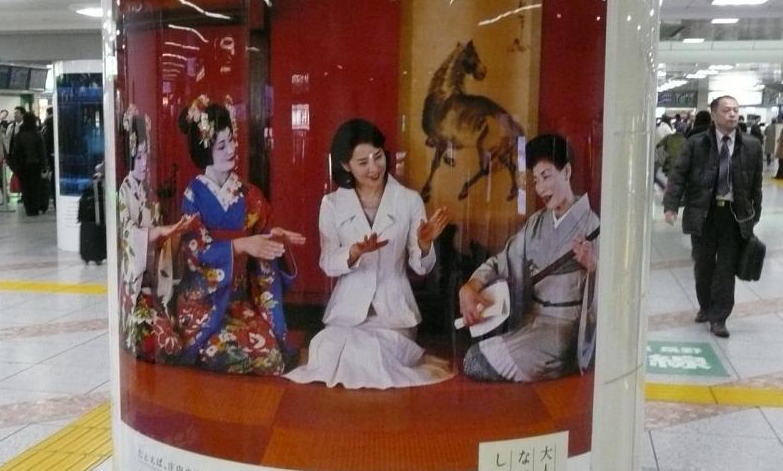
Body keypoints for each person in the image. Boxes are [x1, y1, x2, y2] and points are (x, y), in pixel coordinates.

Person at [286, 119, 451, 389]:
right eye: (363, 162)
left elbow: (420, 267)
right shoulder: (332, 204)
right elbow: (327, 262)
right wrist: (353, 252)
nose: (374, 168)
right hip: (345, 315)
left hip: (394, 316)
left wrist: (423, 244)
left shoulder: (409, 200)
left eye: (378, 157)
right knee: (328, 349)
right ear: (345, 165)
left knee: (370, 355)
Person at [173, 96, 304, 374]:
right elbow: (196, 252)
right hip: (204, 305)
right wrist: (242, 244)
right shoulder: (193, 196)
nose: (232, 149)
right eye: (221, 146)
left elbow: (263, 242)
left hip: (239, 301)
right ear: (205, 150)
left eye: (232, 140)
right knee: (239, 355)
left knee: (271, 358)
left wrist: (274, 239)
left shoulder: (249, 194)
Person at [459, 133, 599, 381]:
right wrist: (471, 287)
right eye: (535, 180)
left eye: (546, 176)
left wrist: (594, 265)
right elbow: (503, 260)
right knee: (473, 355)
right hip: (532, 321)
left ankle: (562, 361)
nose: (540, 188)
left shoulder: (592, 225)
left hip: (565, 328)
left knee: (476, 362)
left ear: (567, 172)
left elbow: (616, 290)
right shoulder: (537, 223)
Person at [662, 94, 763, 339]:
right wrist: (671, 205)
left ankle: (720, 317)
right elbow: (678, 175)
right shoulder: (696, 143)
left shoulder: (751, 146)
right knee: (703, 264)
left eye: (736, 110)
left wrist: (755, 213)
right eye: (727, 110)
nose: (732, 114)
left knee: (726, 268)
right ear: (714, 114)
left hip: (734, 216)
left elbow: (756, 183)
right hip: (703, 213)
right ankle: (705, 307)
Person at [118, 111, 194, 361]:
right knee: (163, 343)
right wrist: (160, 231)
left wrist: (175, 233)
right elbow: (128, 233)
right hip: (136, 283)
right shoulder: (124, 192)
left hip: (154, 281)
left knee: (177, 338)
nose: (143, 163)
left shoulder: (148, 191)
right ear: (129, 157)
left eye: (146, 156)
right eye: (138, 157)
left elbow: (161, 235)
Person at [9, 112, 48, 215]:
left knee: (25, 188)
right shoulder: (37, 135)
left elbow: (15, 152)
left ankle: (29, 209)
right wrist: (44, 166)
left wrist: (14, 166)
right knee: (35, 187)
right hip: (35, 164)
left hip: (23, 166)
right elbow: (42, 152)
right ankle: (35, 208)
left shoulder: (19, 135)